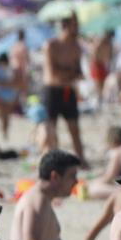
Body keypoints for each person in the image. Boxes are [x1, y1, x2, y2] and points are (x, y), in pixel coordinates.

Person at [41, 11, 86, 162]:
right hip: (52, 91)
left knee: (74, 129)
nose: (77, 29)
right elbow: (53, 74)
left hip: (68, 90)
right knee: (51, 129)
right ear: (65, 26)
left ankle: (81, 159)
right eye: (75, 25)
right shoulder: (52, 46)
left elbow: (79, 73)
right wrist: (69, 73)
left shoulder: (76, 47)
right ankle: (52, 160)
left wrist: (67, 74)